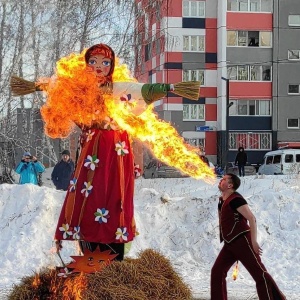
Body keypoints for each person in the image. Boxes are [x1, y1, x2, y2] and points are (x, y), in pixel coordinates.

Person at [211, 173, 286, 300]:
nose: (220, 180)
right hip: (229, 244)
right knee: (217, 272)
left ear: (230, 185)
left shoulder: (236, 200)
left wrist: (254, 241)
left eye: (224, 179)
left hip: (243, 241)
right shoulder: (223, 200)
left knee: (259, 274)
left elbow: (251, 218)